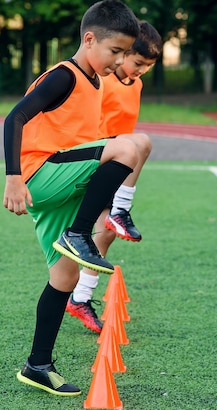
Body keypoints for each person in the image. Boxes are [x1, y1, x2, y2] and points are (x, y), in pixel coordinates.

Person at [2, 0, 140, 397]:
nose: (117, 60)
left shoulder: (96, 82)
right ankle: (78, 234)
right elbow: (15, 117)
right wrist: (13, 178)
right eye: (114, 51)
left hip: (61, 180)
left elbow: (82, 148)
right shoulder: (65, 75)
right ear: (89, 38)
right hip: (39, 175)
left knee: (65, 275)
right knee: (128, 148)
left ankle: (37, 365)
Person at [65, 20, 163, 333]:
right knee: (143, 141)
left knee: (104, 234)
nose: (141, 70)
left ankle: (80, 298)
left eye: (148, 66)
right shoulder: (102, 81)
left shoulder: (137, 85)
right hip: (97, 158)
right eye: (138, 62)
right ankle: (121, 209)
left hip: (118, 162)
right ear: (122, 54)